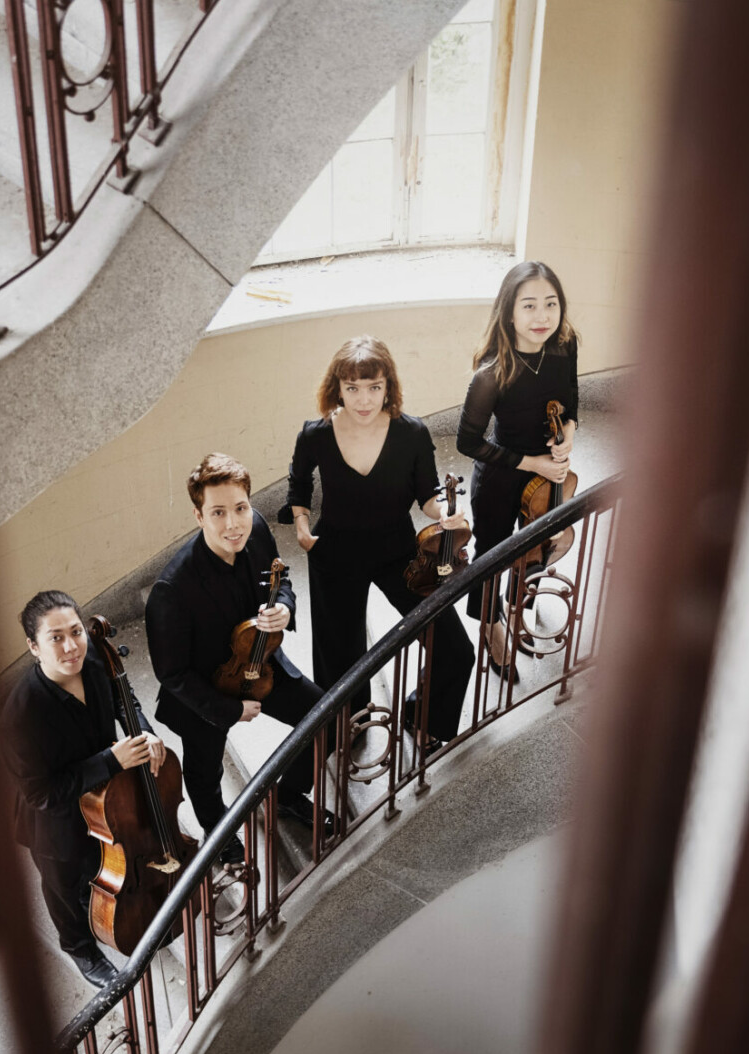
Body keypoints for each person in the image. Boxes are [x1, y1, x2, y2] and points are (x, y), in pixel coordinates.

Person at [282, 335, 475, 751]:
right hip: (335, 555)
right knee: (340, 662)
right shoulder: (315, 435)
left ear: (389, 386)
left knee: (455, 649)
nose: (364, 399)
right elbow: (298, 485)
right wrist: (301, 527)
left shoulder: (412, 433)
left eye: (374, 387)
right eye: (352, 389)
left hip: (399, 553)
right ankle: (348, 729)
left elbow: (428, 494)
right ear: (338, 388)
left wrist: (447, 514)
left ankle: (423, 714)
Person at [145, 453, 333, 864]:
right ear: (199, 517)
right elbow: (173, 673)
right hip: (205, 690)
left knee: (326, 718)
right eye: (218, 513)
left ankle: (287, 795)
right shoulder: (171, 590)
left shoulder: (258, 529)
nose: (233, 524)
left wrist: (284, 607)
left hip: (262, 664)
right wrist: (229, 709)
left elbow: (280, 581)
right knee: (204, 773)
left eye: (241, 508)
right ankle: (219, 834)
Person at [0, 589, 165, 990]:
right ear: (33, 647)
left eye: (76, 631)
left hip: (109, 796)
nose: (71, 646)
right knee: (63, 883)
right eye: (55, 637)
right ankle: (78, 947)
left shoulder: (95, 659)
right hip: (53, 819)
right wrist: (112, 760)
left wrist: (143, 732)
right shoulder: (20, 716)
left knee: (110, 859)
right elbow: (41, 793)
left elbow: (127, 702)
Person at [456, 261, 579, 672]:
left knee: (540, 543)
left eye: (551, 303)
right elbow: (467, 442)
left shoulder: (564, 345)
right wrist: (535, 463)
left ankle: (518, 605)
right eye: (529, 306)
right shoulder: (491, 372)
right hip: (502, 473)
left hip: (548, 472)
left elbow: (572, 399)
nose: (542, 316)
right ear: (508, 312)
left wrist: (571, 432)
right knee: (491, 555)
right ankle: (490, 627)